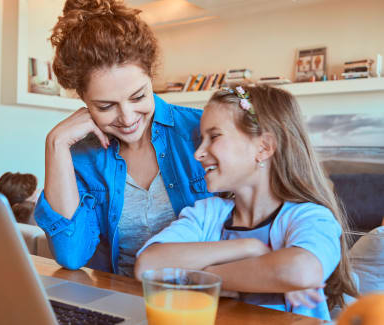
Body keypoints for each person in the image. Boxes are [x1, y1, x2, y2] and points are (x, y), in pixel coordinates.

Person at [135, 85, 357, 320]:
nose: (198, 153)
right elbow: (147, 265)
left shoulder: (308, 217)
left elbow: (300, 270)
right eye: (202, 139)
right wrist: (248, 247)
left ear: (263, 147)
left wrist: (205, 276)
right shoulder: (208, 214)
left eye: (214, 136)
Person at [34, 0, 211, 276]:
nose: (127, 118)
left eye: (138, 96)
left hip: (201, 300)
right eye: (105, 106)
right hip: (121, 300)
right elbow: (71, 254)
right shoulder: (81, 155)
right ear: (83, 99)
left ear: (151, 76)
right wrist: (55, 144)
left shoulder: (202, 129)